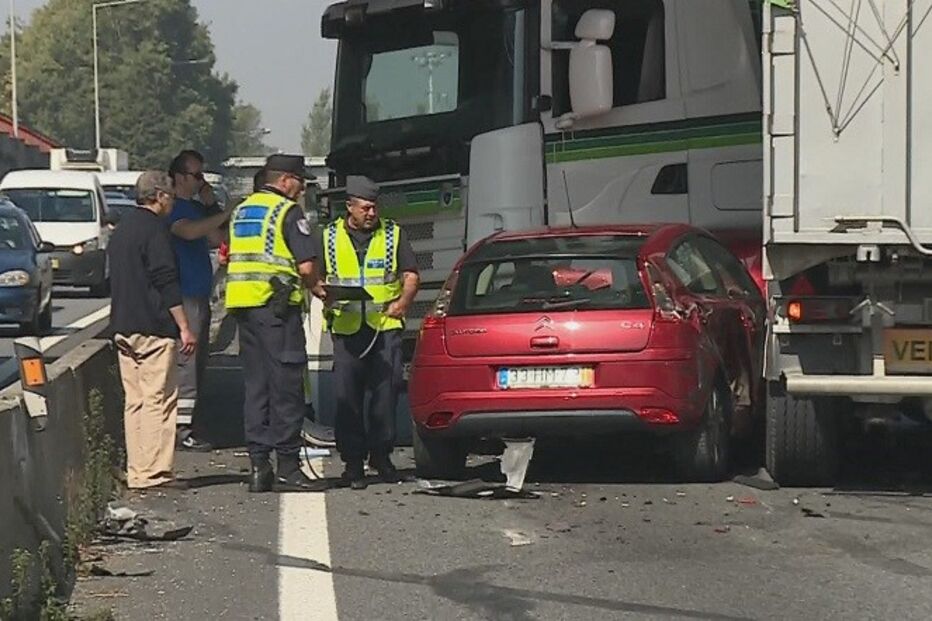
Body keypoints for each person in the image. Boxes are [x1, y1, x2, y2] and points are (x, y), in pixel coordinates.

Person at [310, 175, 420, 490]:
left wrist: (403, 303)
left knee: (386, 395)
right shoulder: (328, 236)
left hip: (384, 328)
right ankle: (353, 462)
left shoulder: (392, 233)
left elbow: (410, 274)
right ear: (350, 207)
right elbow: (311, 271)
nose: (371, 213)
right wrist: (320, 290)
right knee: (347, 398)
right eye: (365, 208)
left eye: (374, 207)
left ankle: (382, 457)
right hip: (346, 330)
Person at [226, 154, 325, 493]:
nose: (303, 189)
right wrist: (317, 288)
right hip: (276, 309)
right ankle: (287, 466)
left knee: (257, 387)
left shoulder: (242, 209)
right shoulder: (287, 211)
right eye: (301, 182)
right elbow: (306, 266)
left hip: (243, 305)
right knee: (286, 386)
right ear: (286, 181)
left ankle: (258, 467)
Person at [108, 171, 197, 491]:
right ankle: (156, 472)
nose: (172, 201)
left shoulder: (121, 230)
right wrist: (184, 326)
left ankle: (137, 469)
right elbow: (165, 280)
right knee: (159, 399)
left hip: (123, 326)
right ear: (159, 196)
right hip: (153, 327)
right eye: (170, 196)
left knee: (135, 402)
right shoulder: (156, 231)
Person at [168, 150, 232, 452]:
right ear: (180, 177)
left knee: (199, 361)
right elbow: (191, 233)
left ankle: (191, 420)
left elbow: (218, 238)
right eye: (196, 176)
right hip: (183, 294)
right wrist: (225, 211)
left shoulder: (195, 207)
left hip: (199, 293)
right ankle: (181, 428)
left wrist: (212, 207)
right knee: (187, 362)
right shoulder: (173, 208)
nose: (201, 181)